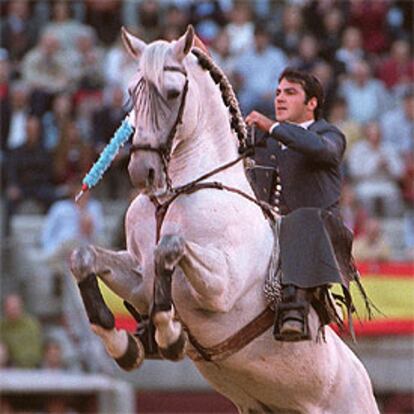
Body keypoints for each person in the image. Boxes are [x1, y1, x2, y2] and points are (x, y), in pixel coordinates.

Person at [245, 68, 363, 341]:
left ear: (312, 103)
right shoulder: (263, 138)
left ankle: (294, 310)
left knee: (302, 218)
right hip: (268, 230)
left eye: (290, 92)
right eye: (277, 92)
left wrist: (273, 127)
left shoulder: (331, 134)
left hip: (318, 234)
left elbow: (321, 150)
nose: (280, 98)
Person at [0, 293, 43, 368]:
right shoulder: (2, 325)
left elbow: (33, 354)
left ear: (21, 308)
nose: (11, 311)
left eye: (14, 308)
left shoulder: (31, 325)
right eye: (8, 308)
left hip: (27, 368)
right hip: (5, 367)